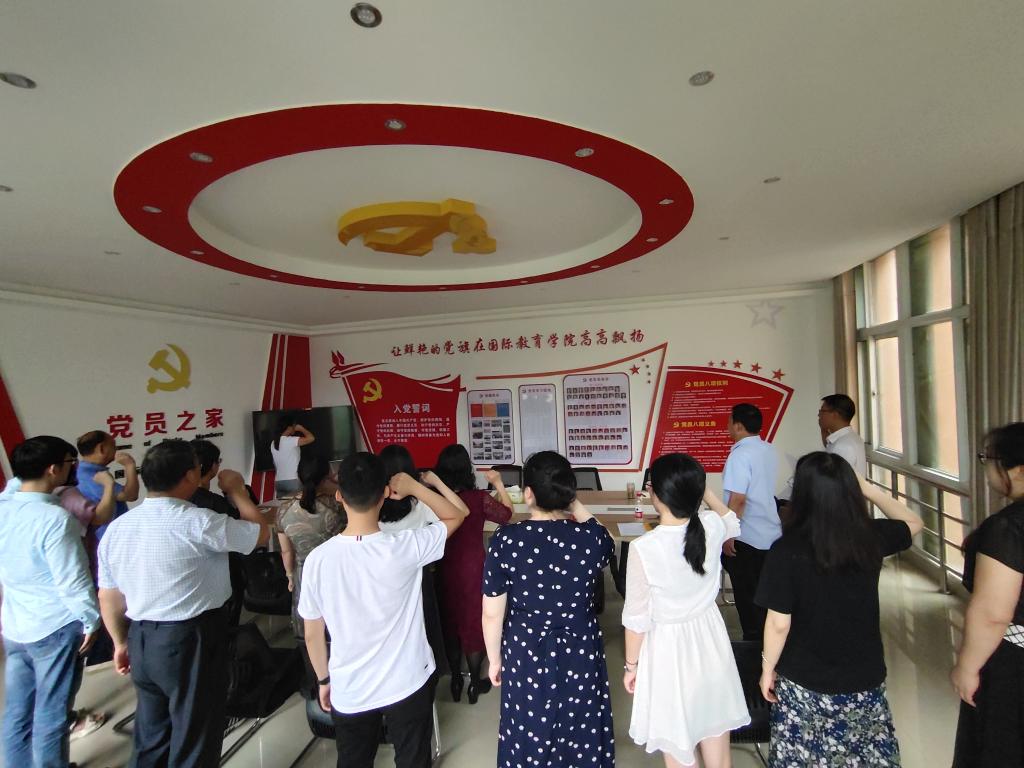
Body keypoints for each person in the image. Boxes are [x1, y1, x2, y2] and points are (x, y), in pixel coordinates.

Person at [97, 440, 270, 768]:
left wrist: (120, 642)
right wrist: (237, 491)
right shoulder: (200, 522)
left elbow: (109, 595)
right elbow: (259, 534)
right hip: (190, 640)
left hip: (141, 639)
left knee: (151, 735)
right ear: (190, 475)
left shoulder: (118, 529)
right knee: (195, 736)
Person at [299, 452, 467, 768]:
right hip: (408, 680)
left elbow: (312, 634)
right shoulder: (405, 546)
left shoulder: (318, 560)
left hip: (350, 686)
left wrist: (323, 680)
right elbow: (456, 515)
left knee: (353, 761)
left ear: (339, 495)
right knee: (413, 760)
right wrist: (415, 487)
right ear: (386, 492)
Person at [756, 451, 923, 766]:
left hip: (804, 675)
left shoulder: (786, 550)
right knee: (863, 752)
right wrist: (869, 489)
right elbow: (914, 522)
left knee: (806, 754)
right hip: (863, 673)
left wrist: (767, 670)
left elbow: (779, 623)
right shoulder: (869, 537)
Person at [482, 450, 616, 768]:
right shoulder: (590, 538)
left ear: (528, 494)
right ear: (568, 493)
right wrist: (574, 503)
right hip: (579, 646)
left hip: (525, 648)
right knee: (580, 721)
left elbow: (492, 613)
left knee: (527, 725)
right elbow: (607, 539)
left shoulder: (506, 540)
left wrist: (494, 659)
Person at [622, 453, 750, 768]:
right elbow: (732, 521)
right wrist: (704, 491)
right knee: (717, 744)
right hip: (710, 641)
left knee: (678, 744)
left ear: (654, 494)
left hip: (668, 650)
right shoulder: (711, 525)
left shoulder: (644, 548)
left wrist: (631, 666)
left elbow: (637, 620)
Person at [1, 436, 100, 768]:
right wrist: (91, 621)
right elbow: (72, 580)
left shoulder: (4, 506)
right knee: (52, 711)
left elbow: (13, 487)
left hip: (15, 624)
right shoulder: (54, 519)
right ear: (54, 469)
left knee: (17, 710)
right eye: (71, 463)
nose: (73, 469)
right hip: (54, 626)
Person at [952, 422, 1024, 766]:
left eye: (989, 459)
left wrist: (967, 667)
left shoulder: (1009, 527)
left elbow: (993, 613)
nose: (987, 468)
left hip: (1014, 663)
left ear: (1018, 469)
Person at [433, 443, 513, 704]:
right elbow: (506, 514)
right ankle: (475, 684)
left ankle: (456, 679)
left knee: (450, 620)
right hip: (473, 568)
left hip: (444, 566)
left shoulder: (434, 500)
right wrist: (498, 483)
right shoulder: (478, 498)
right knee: (473, 622)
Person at [190, 438, 269, 625]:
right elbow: (257, 533)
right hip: (222, 586)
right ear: (213, 467)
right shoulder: (214, 504)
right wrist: (237, 490)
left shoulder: (184, 500)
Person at [721, 402, 780, 641]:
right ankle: (769, 644)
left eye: (729, 421)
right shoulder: (768, 450)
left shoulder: (740, 455)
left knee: (747, 598)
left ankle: (754, 646)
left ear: (738, 426)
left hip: (748, 538)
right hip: (771, 534)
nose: (727, 426)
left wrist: (728, 534)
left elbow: (738, 500)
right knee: (766, 596)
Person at [278, 453, 346, 641]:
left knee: (309, 624)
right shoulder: (337, 505)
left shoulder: (284, 510)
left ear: (299, 477)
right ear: (327, 478)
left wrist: (290, 575)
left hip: (303, 573)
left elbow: (286, 551)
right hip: (335, 572)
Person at [818, 393, 867, 475]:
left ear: (835, 414)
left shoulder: (843, 446)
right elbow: (828, 445)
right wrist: (823, 429)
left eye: (822, 411)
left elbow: (836, 479)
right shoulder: (849, 437)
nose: (819, 414)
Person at [270, 416, 314, 497]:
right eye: (294, 426)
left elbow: (275, 464)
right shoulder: (290, 440)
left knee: (284, 505)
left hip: (279, 482)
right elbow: (311, 438)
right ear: (289, 427)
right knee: (298, 504)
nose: (295, 428)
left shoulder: (273, 443)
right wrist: (301, 428)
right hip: (292, 481)